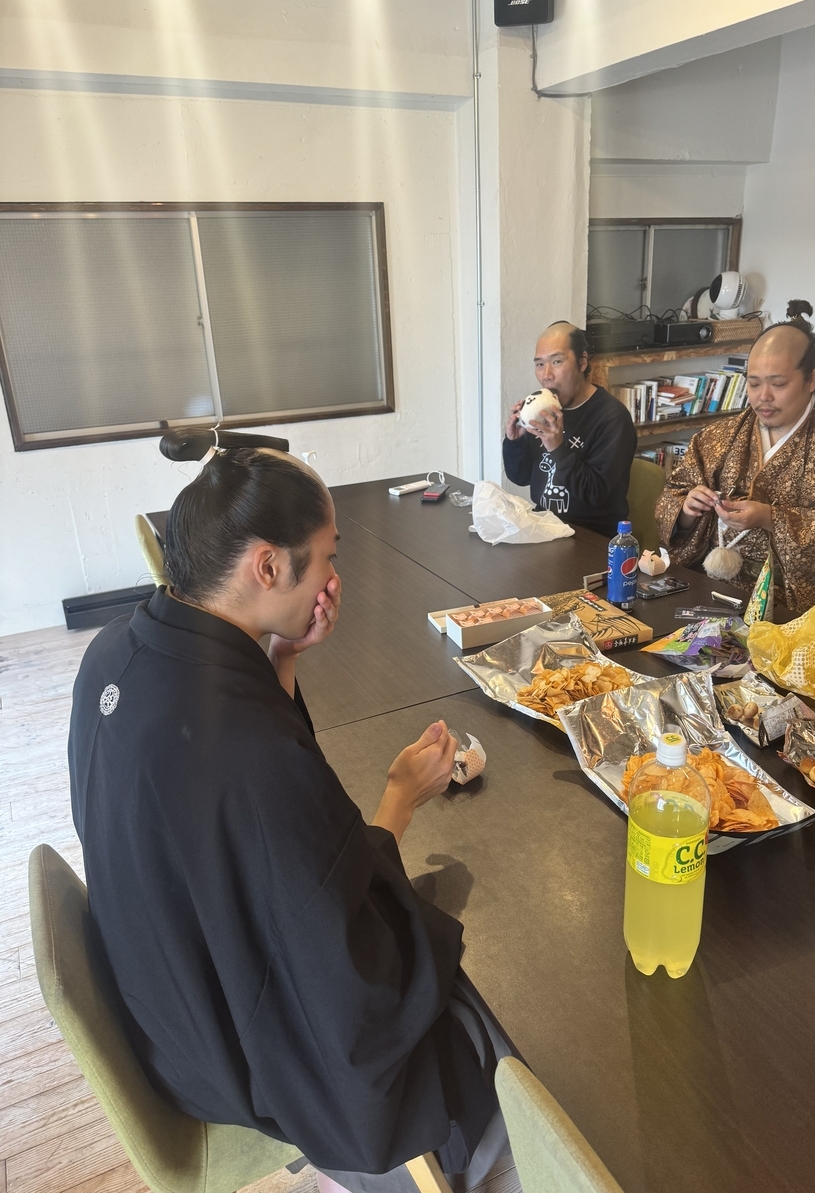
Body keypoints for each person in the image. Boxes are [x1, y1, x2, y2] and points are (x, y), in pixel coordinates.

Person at [69, 441, 518, 1193]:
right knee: (475, 1020)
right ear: (268, 566)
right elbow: (340, 942)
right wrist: (400, 798)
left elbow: (244, 832)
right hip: (224, 1050)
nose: (336, 580)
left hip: (166, 984)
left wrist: (282, 656)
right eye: (328, 558)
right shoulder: (247, 751)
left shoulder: (113, 650)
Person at [655, 300, 815, 612]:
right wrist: (688, 510)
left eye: (778, 384)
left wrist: (773, 519)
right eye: (754, 383)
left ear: (812, 379)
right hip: (710, 589)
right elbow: (672, 497)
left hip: (792, 610)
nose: (763, 397)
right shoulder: (717, 438)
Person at [502, 321, 636, 536]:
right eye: (539, 364)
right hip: (544, 523)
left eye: (557, 362)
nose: (546, 375)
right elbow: (521, 477)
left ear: (582, 362)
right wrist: (514, 442)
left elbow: (595, 495)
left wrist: (557, 448)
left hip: (591, 535)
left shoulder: (613, 418)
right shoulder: (544, 410)